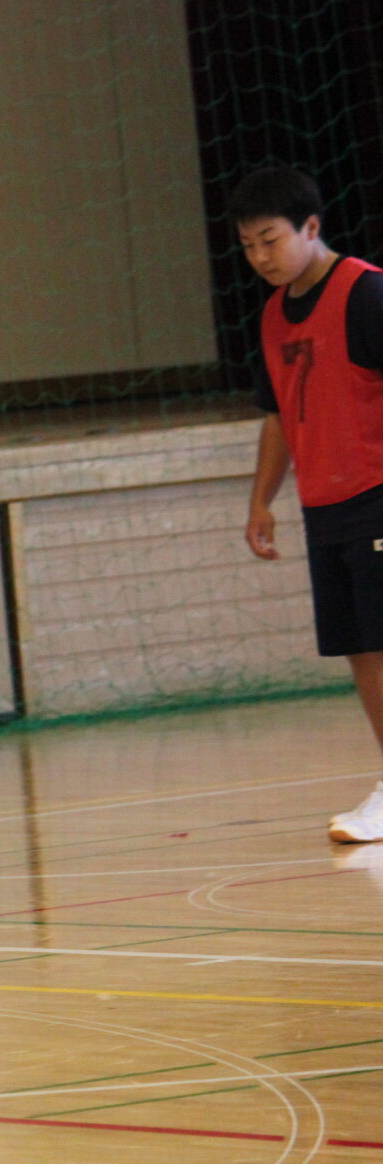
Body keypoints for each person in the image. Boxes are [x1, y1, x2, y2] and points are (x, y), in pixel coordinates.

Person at [233, 165, 383, 841]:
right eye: (248, 245)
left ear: (312, 228)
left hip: (378, 495)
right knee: (363, 653)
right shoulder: (270, 317)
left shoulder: (365, 293)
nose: (261, 257)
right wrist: (262, 501)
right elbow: (276, 417)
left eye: (270, 240)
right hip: (325, 507)